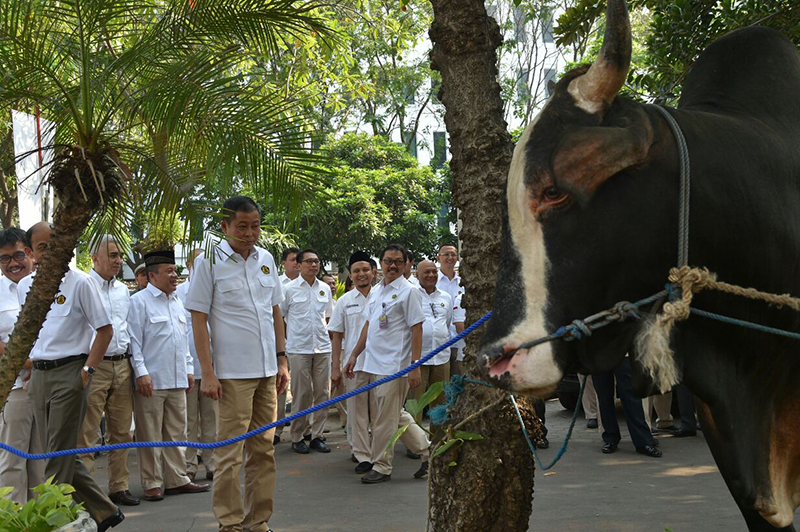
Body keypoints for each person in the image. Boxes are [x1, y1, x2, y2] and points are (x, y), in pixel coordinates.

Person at [185, 196, 288, 532]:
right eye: (242, 226)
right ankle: (230, 524)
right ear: (225, 226)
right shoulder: (209, 262)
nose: (249, 233)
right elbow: (198, 319)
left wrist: (282, 359)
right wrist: (208, 373)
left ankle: (258, 522)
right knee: (229, 455)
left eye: (255, 226)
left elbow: (275, 312)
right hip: (230, 376)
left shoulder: (266, 259)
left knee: (264, 452)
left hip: (267, 372)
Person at [19, 222, 124, 531]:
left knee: (56, 455)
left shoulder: (80, 283)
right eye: (43, 247)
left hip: (71, 372)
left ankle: (51, 518)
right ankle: (105, 511)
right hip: (38, 376)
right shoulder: (27, 286)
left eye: (56, 244)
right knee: (58, 450)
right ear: (30, 252)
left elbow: (105, 330)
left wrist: (87, 371)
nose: (51, 252)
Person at [344, 244, 429, 484]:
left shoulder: (409, 292)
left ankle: (382, 466)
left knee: (384, 419)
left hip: (395, 367)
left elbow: (417, 328)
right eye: (388, 261)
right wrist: (354, 355)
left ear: (405, 265)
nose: (393, 266)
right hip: (372, 364)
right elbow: (369, 326)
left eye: (398, 262)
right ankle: (428, 450)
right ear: (379, 265)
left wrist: (415, 365)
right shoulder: (377, 291)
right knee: (394, 415)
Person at [129, 249, 209, 502]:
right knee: (150, 435)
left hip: (177, 378)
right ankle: (152, 483)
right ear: (152, 275)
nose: (175, 276)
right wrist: (141, 373)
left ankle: (176, 479)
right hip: (151, 380)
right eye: (169, 272)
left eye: (175, 271)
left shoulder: (177, 301)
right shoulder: (139, 301)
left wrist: (188, 369)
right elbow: (134, 342)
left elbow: (182, 341)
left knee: (177, 433)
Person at [79, 235, 139, 507]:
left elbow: (128, 329)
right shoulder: (83, 286)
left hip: (122, 364)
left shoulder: (122, 291)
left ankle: (119, 487)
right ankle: (88, 493)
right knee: (88, 433)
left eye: (119, 256)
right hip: (95, 366)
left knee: (121, 431)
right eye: (113, 255)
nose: (118, 261)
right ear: (95, 258)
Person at [0, 228, 44, 504]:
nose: (14, 263)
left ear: (29, 253)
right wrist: (31, 362)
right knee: (13, 460)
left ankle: (43, 518)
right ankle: (13, 520)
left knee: (42, 461)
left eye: (18, 255)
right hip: (14, 388)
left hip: (47, 384)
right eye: (5, 259)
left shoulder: (48, 286)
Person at [280, 249, 334, 454]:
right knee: (302, 394)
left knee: (323, 393)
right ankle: (297, 436)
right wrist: (286, 343)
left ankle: (317, 435)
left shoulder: (324, 289)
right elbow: (281, 318)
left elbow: (327, 317)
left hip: (322, 348)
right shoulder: (289, 289)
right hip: (298, 348)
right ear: (299, 265)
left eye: (317, 261)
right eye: (309, 261)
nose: (314, 265)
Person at [329, 252, 374, 469]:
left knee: (379, 410)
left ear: (373, 272)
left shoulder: (383, 296)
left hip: (380, 363)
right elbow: (336, 335)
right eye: (356, 271)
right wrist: (335, 367)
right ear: (351, 276)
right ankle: (362, 454)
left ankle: (379, 450)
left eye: (365, 269)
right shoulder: (344, 302)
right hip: (353, 366)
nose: (361, 274)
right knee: (356, 412)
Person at [176, 248, 217, 481]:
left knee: (211, 418)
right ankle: (190, 465)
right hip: (188, 366)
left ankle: (212, 463)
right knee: (189, 420)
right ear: (190, 265)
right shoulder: (179, 293)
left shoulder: (216, 288)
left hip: (211, 365)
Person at [593, 356, 662, 458]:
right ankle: (610, 437)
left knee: (630, 396)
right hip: (598, 352)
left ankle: (643, 442)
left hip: (621, 351)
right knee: (604, 396)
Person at [411, 260, 452, 409]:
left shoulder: (446, 297)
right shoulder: (411, 295)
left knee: (441, 406)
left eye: (434, 271)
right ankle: (415, 433)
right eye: (426, 272)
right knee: (416, 406)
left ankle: (439, 433)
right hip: (418, 359)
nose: (431, 275)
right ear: (417, 275)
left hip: (441, 358)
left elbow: (447, 323)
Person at [275, 246, 299, 444]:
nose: (297, 263)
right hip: (282, 345)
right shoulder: (277, 284)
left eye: (299, 260)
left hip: (302, 346)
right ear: (283, 263)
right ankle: (276, 428)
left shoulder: (311, 285)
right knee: (280, 388)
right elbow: (277, 316)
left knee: (302, 390)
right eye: (293, 260)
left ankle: (302, 431)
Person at [436, 244, 464, 376]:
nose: (450, 257)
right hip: (440, 344)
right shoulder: (432, 282)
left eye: (453, 255)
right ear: (438, 258)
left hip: (461, 343)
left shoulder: (464, 282)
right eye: (446, 254)